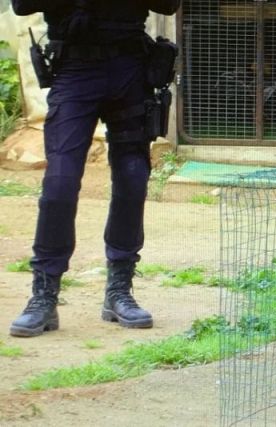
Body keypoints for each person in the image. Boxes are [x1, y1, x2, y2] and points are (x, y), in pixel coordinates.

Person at [9, 0, 181, 338]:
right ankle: (43, 296)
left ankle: (119, 291)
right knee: (59, 183)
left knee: (132, 180)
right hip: (74, 71)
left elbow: (169, 6)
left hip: (130, 68)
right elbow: (20, 5)